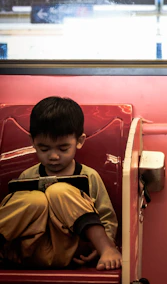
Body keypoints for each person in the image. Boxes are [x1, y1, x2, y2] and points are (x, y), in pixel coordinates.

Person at [0, 96, 122, 270]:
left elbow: (106, 218)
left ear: (79, 141)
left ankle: (106, 249)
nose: (54, 156)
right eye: (44, 149)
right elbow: (16, 219)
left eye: (63, 148)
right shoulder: (28, 175)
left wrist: (101, 245)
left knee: (59, 191)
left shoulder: (89, 176)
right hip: (31, 250)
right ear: (32, 142)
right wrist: (11, 246)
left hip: (70, 249)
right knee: (33, 200)